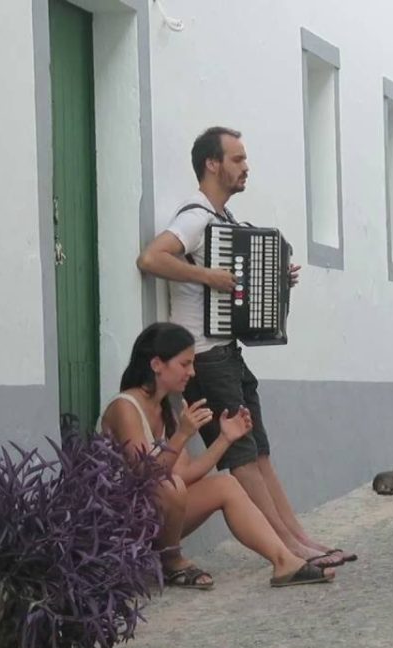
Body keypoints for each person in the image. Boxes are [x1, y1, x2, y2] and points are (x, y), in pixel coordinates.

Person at [136, 126, 355, 569]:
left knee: (259, 453)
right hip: (203, 356)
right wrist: (209, 277)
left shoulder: (227, 222)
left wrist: (276, 278)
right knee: (241, 459)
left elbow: (238, 281)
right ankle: (288, 551)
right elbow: (151, 258)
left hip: (228, 353)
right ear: (212, 165)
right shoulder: (195, 217)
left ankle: (301, 540)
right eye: (237, 159)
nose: (245, 167)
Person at [100, 322, 334, 588]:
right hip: (122, 524)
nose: (192, 372)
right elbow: (146, 475)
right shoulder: (126, 407)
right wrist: (182, 435)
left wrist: (225, 439)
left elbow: (185, 474)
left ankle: (284, 563)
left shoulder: (168, 408)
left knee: (225, 484)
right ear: (156, 364)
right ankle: (173, 562)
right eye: (184, 364)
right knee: (171, 485)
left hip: (156, 515)